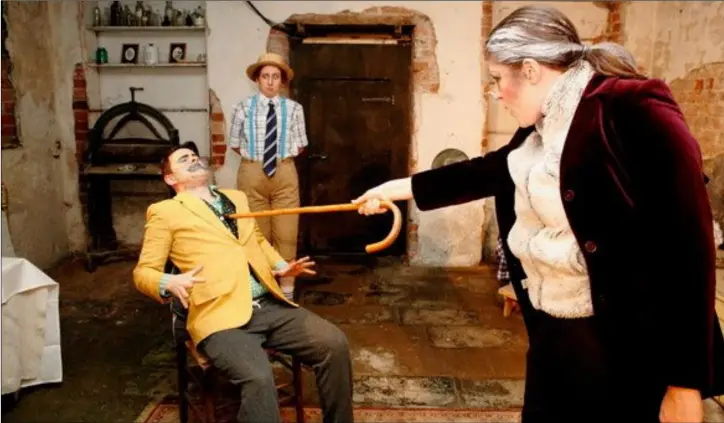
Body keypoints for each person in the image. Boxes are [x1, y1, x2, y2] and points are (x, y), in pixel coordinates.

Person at [353, 5, 723, 423]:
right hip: (552, 336)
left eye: (496, 79)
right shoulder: (540, 126)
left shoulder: (632, 108)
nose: (494, 92)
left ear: (529, 70)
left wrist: (684, 383)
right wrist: (395, 189)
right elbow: (491, 169)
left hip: (625, 345)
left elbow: (689, 247)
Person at [133, 142, 353, 423]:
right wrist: (169, 281)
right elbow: (143, 272)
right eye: (183, 159)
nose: (192, 159)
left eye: (194, 155)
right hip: (219, 316)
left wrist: (281, 265)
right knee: (259, 378)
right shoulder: (164, 212)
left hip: (267, 305)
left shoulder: (236, 198)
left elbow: (257, 241)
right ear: (170, 179)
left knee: (334, 344)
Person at [228, 52, 308, 300]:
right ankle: (262, 289)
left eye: (275, 77)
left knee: (286, 231)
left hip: (284, 172)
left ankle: (287, 291)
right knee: (256, 232)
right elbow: (235, 143)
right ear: (257, 79)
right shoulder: (243, 107)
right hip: (253, 172)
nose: (270, 82)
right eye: (265, 76)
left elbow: (300, 143)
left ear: (282, 81)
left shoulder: (293, 109)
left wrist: (280, 157)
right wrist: (258, 158)